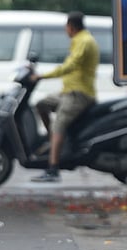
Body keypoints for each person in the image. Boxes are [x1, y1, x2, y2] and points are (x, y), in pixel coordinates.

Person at [29, 12, 99, 183]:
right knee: (41, 104)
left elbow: (69, 66)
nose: (65, 30)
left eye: (66, 27)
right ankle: (52, 139)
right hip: (67, 92)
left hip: (79, 94)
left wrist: (42, 76)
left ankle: (53, 168)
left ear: (71, 27)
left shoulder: (84, 41)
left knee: (59, 123)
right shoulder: (78, 40)